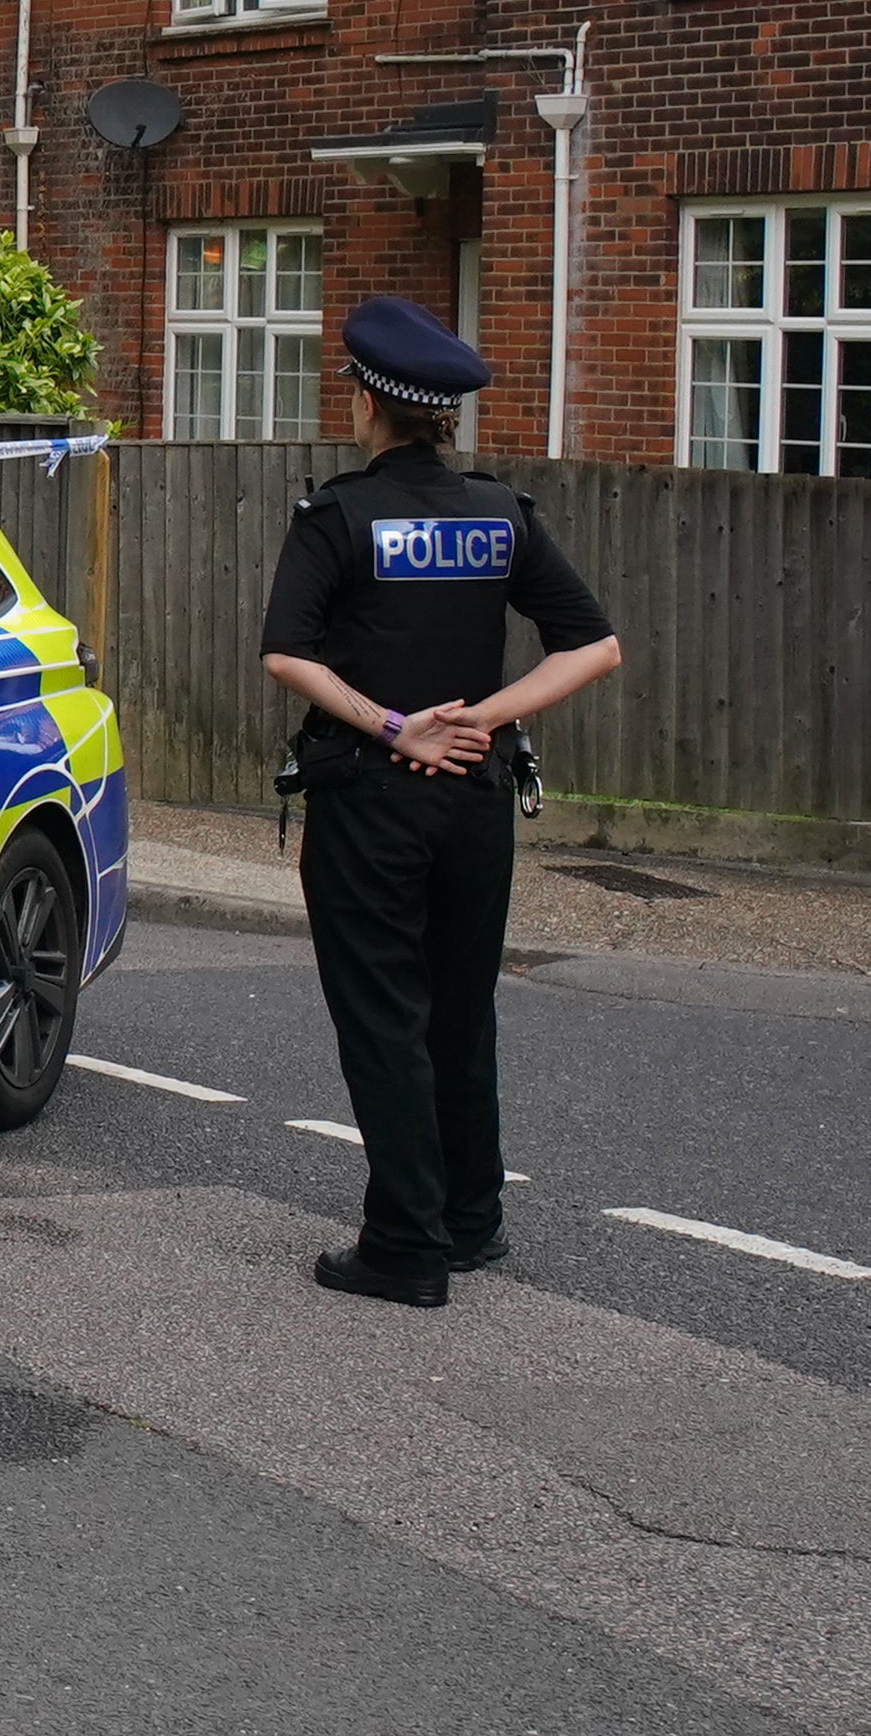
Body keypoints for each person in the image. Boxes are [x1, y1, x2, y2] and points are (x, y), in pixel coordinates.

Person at [260, 297, 622, 1308]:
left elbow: (287, 651)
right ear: (446, 414)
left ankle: (406, 1245)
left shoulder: (338, 516)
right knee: (460, 1009)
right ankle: (472, 1218)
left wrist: (394, 724)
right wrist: (483, 722)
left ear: (371, 401)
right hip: (475, 797)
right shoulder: (502, 513)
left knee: (383, 1013)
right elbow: (596, 645)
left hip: (372, 795)